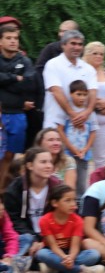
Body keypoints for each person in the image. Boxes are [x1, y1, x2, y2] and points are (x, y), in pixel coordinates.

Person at [33, 184, 104, 273]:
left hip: (71, 253)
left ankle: (54, 268)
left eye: (74, 200)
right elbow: (53, 246)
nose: (73, 204)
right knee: (42, 254)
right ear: (55, 203)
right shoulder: (45, 220)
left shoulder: (77, 220)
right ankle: (83, 271)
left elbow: (75, 247)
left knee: (94, 254)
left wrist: (70, 258)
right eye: (67, 200)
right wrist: (64, 258)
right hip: (54, 253)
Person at [2, 146, 61, 256]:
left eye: (50, 162)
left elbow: (64, 218)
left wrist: (44, 241)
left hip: (51, 239)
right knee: (27, 240)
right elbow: (15, 221)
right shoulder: (15, 189)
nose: (49, 166)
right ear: (30, 166)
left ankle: (35, 260)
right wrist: (34, 239)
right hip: (26, 237)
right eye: (43, 162)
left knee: (92, 255)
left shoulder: (57, 187)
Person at [0, 24, 37, 190]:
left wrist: (5, 82)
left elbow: (29, 85)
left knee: (9, 155)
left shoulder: (24, 61)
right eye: (8, 38)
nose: (13, 41)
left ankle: (1, 191)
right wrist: (16, 79)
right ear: (0, 41)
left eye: (15, 38)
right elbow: (20, 83)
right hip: (1, 112)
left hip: (17, 114)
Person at [42, 31, 97, 135]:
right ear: (63, 45)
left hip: (81, 124)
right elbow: (56, 91)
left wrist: (87, 113)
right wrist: (73, 114)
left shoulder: (88, 69)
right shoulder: (53, 64)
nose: (77, 47)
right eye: (73, 43)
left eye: (80, 44)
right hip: (55, 123)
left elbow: (93, 92)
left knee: (80, 151)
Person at [56, 80, 97, 195]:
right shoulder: (65, 111)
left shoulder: (90, 114)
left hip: (83, 155)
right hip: (67, 154)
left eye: (85, 94)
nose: (82, 98)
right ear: (70, 94)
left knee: (81, 183)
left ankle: (79, 204)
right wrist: (71, 148)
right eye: (79, 94)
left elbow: (93, 132)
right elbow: (60, 130)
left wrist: (86, 149)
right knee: (66, 182)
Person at [0, 198, 29, 273]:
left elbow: (11, 236)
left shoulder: (3, 214)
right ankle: (8, 271)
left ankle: (14, 262)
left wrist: (10, 256)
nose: (1, 207)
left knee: (26, 239)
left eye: (1, 203)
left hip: (3, 252)